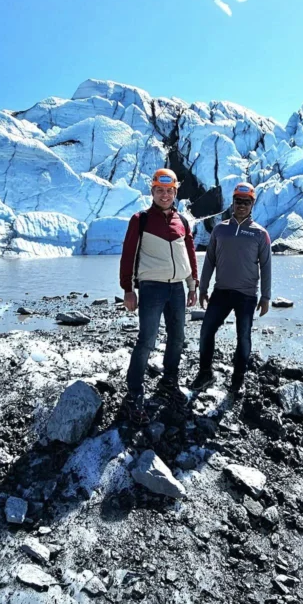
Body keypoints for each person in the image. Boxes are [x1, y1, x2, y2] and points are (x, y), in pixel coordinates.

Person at [118, 168, 198, 424]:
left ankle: (168, 382)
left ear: (175, 193)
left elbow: (189, 254)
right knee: (146, 340)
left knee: (177, 338)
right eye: (160, 190)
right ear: (152, 191)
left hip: (177, 288)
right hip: (151, 287)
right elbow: (128, 255)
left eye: (169, 191)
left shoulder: (182, 221)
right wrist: (128, 289)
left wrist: (192, 285)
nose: (165, 195)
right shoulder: (140, 220)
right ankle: (134, 394)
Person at [191, 181, 271, 395]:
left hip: (247, 295)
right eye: (238, 201)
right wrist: (203, 288)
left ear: (252, 204)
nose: (242, 205)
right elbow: (209, 260)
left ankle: (238, 379)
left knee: (243, 337)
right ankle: (205, 373)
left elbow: (266, 266)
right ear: (233, 202)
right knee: (206, 331)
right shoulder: (220, 229)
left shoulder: (260, 234)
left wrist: (266, 297)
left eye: (246, 202)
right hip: (221, 292)